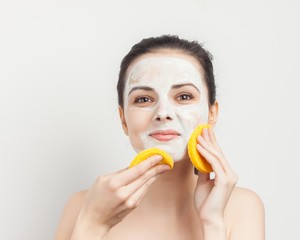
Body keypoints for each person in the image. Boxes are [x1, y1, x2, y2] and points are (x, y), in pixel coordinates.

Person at [55, 35, 265, 240]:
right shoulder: (83, 206)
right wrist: (93, 224)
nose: (163, 112)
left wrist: (212, 222)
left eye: (184, 96)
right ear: (123, 120)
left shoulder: (242, 207)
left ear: (212, 114)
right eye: (144, 99)